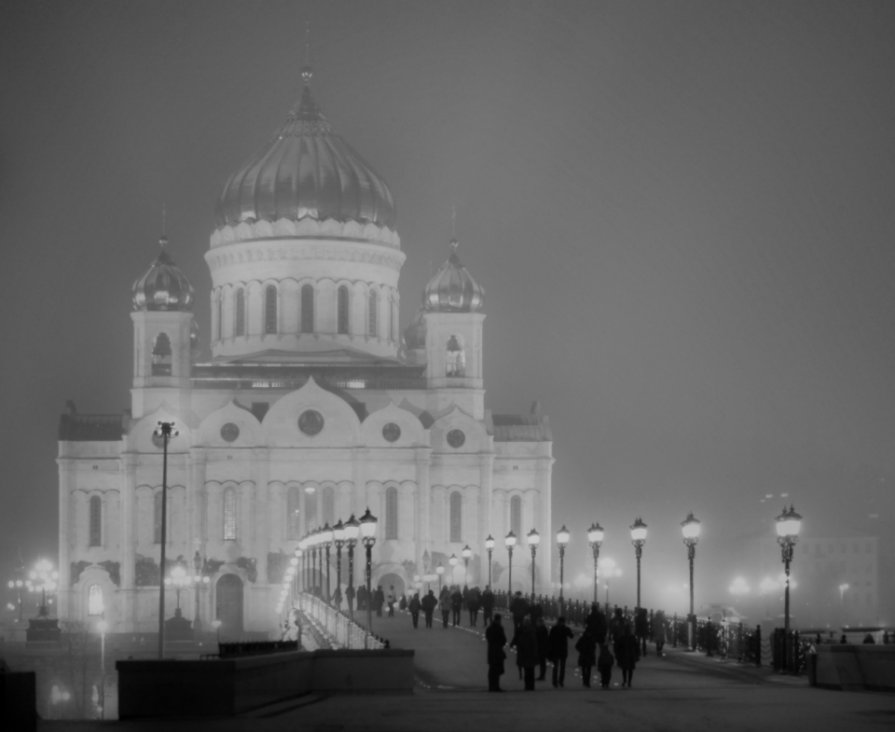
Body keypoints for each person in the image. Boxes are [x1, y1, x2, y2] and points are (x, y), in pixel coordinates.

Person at [511, 616, 539, 691]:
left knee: (528, 671)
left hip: (526, 653)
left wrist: (513, 644)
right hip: (528, 653)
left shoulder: (523, 631)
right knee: (529, 671)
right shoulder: (531, 631)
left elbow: (517, 638)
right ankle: (530, 686)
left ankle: (528, 685)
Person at [547, 616, 575, 688]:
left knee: (556, 667)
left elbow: (550, 640)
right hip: (562, 650)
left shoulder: (554, 629)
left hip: (556, 650)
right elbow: (571, 636)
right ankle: (560, 681)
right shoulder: (565, 629)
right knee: (561, 667)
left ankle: (555, 681)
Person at [485, 613, 508, 692]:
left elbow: (488, 638)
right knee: (497, 670)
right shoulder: (499, 628)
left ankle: (491, 686)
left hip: (491, 651)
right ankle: (496, 686)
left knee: (492, 670)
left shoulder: (489, 628)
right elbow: (503, 640)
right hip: (498, 651)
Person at [615, 622, 640, 688]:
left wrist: (618, 655)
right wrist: (637, 655)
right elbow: (637, 647)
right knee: (630, 670)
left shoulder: (622, 638)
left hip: (624, 655)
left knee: (625, 669)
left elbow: (618, 647)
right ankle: (629, 681)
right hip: (631, 655)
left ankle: (625, 680)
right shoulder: (632, 638)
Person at [535, 616, 549, 680]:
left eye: (538, 622)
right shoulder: (542, 629)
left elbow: (541, 639)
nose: (537, 623)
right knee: (542, 663)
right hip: (542, 648)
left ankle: (542, 675)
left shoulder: (541, 629)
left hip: (541, 648)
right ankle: (542, 675)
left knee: (542, 662)